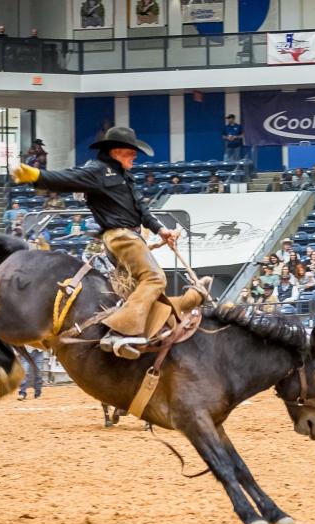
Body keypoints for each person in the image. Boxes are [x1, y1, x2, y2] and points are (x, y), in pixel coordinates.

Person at [11, 126, 189, 359]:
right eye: (131, 152)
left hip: (129, 236)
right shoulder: (97, 171)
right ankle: (121, 333)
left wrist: (161, 230)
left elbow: (142, 211)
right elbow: (67, 178)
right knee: (154, 278)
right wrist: (36, 176)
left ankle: (140, 335)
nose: (135, 157)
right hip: (121, 236)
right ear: (116, 151)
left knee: (136, 290)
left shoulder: (126, 176)